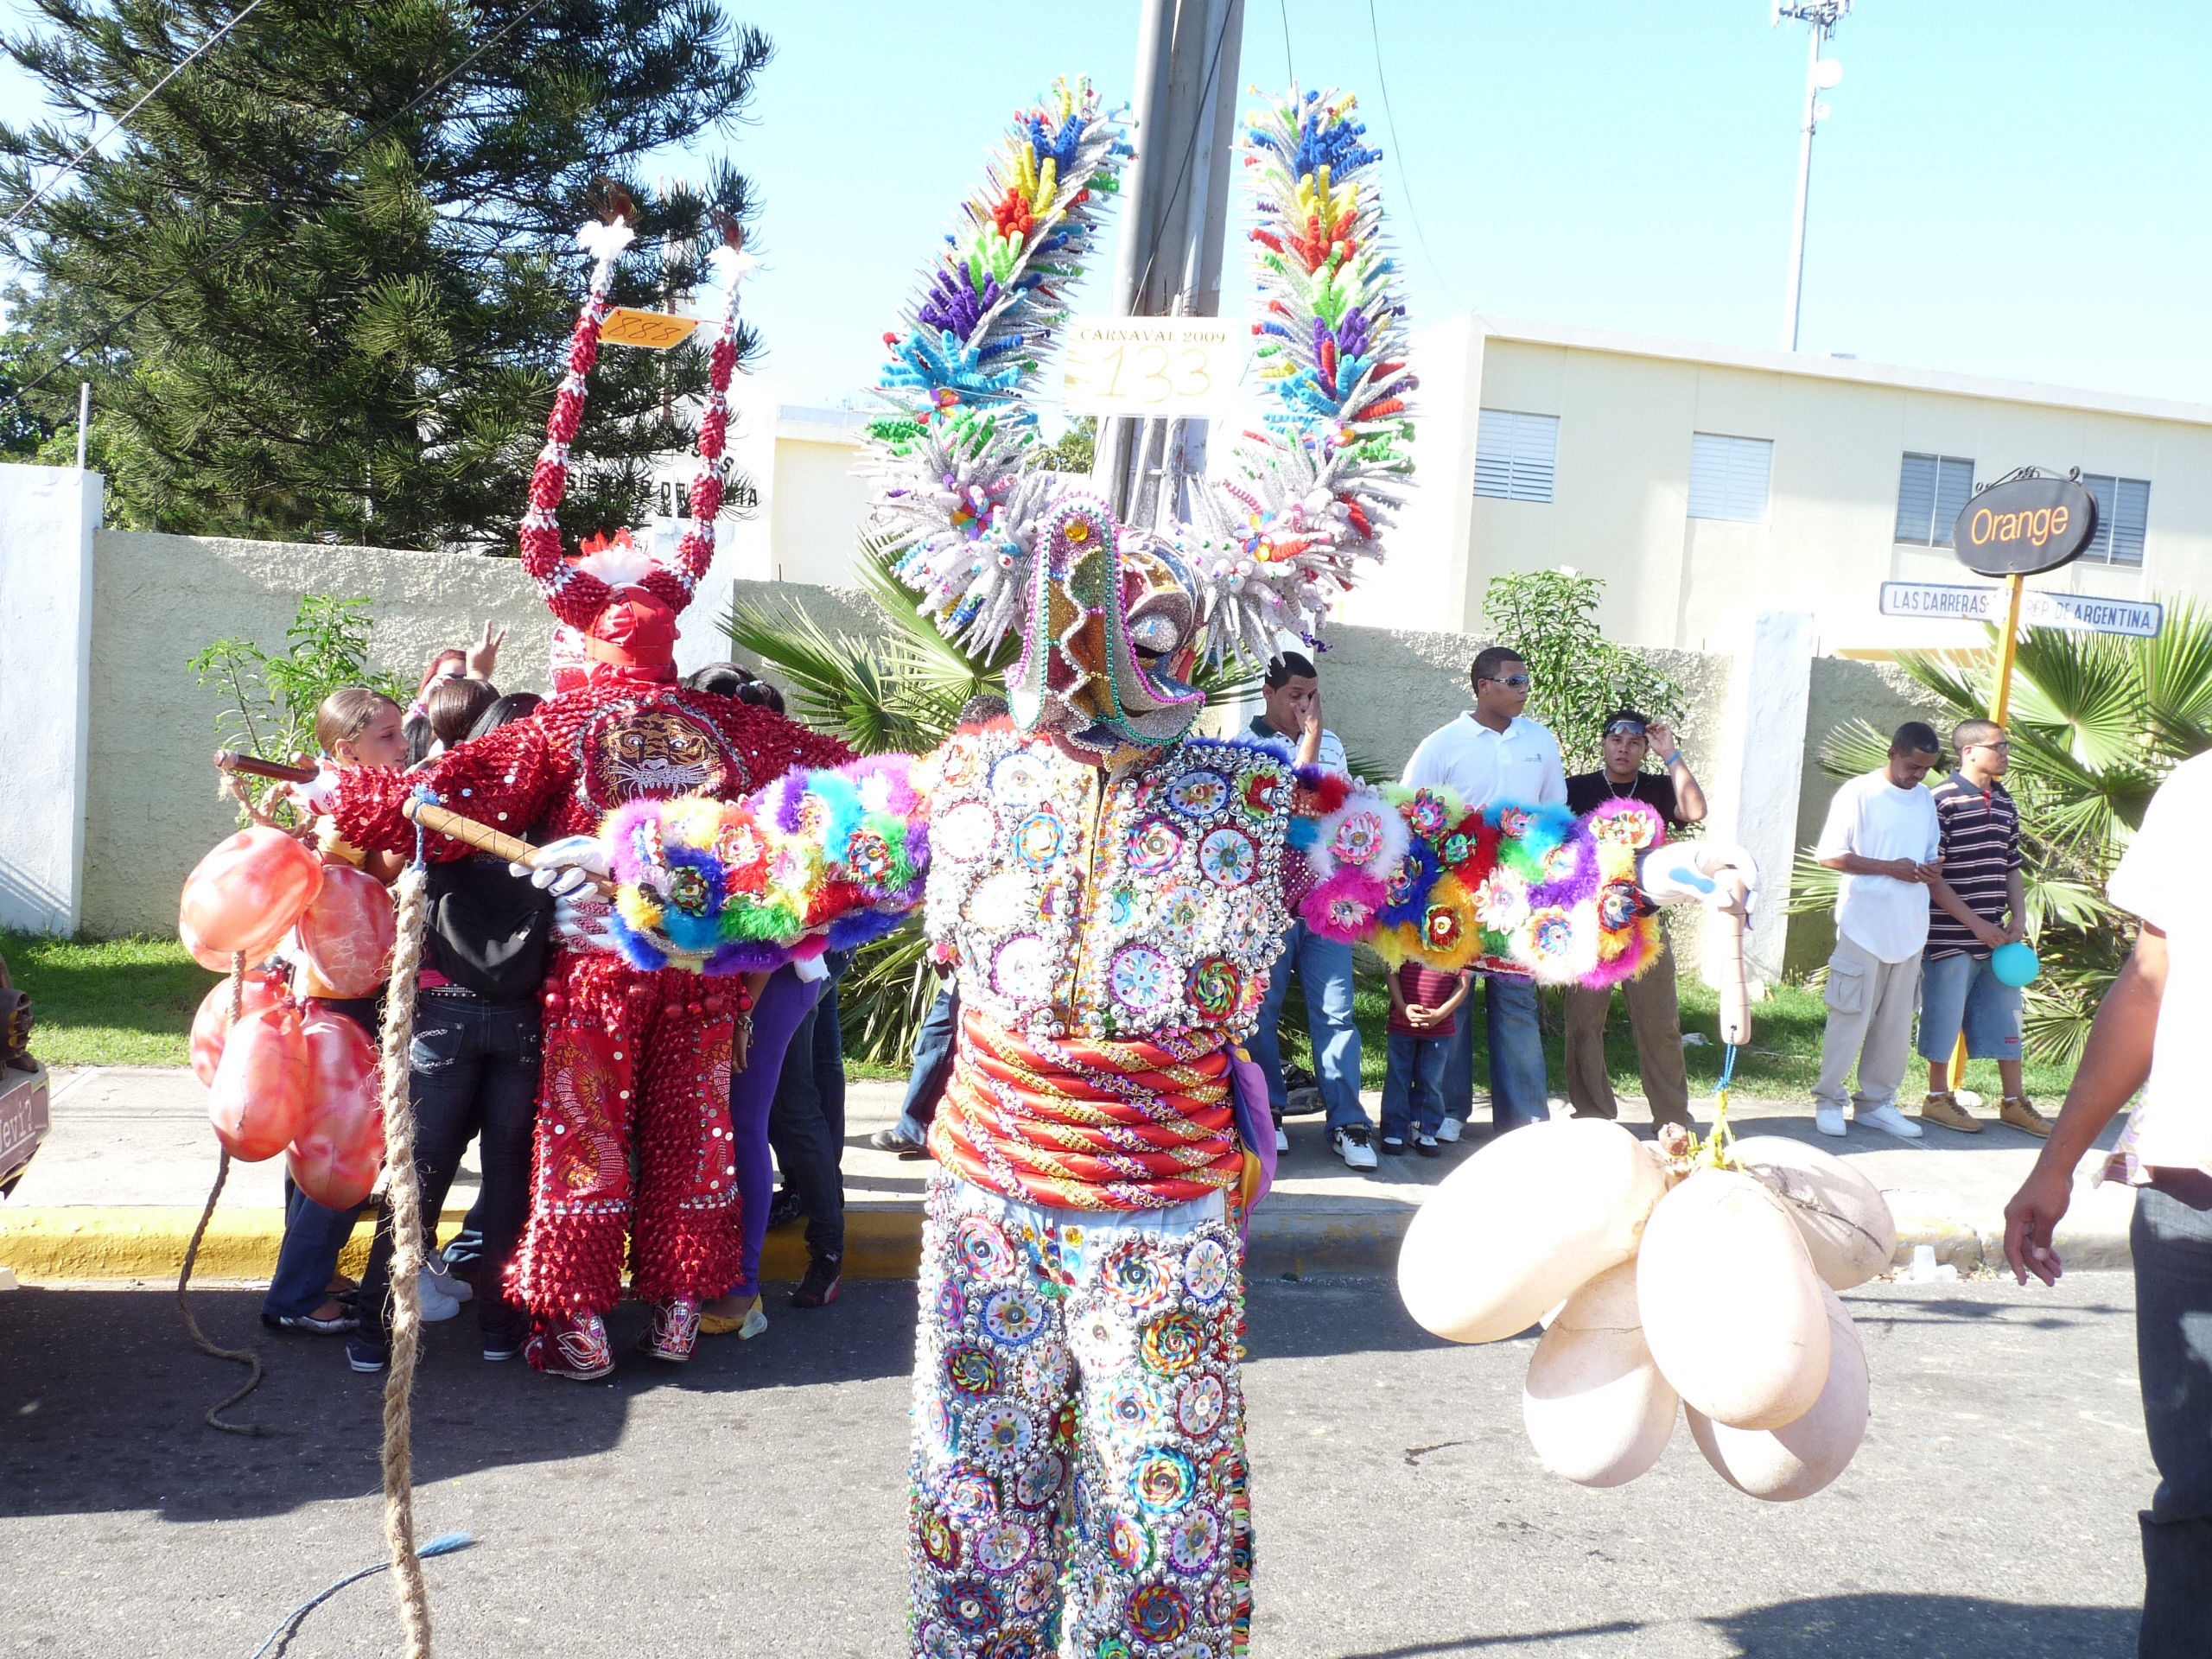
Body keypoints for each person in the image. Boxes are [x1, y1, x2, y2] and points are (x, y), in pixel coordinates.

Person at [309, 240, 854, 1381]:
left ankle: (575, 1323)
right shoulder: (729, 728)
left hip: (603, 961)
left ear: (575, 639)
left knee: (586, 1132)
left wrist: (346, 792)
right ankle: (673, 1313)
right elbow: (840, 772)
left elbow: (431, 792)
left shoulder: (557, 729)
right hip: (701, 959)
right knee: (697, 1133)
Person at [2003, 752, 2212, 1656]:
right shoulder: (2199, 789)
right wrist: (2057, 1162)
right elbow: (2152, 978)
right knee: (2197, 1498)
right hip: (2186, 1201)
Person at [346, 690, 555, 1373]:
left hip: (443, 1017)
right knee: (507, 1183)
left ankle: (373, 1333)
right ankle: (500, 1328)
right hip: (522, 1019)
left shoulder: (441, 806)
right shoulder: (555, 823)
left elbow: (369, 828)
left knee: (417, 1182)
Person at [258, 687, 410, 1336]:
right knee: (343, 1146)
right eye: (389, 737)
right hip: (340, 993)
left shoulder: (328, 797)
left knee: (317, 1142)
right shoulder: (336, 808)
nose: (405, 747)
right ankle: (294, 1296)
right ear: (345, 749)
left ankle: (309, 1276)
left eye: (403, 733)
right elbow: (359, 890)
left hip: (320, 989)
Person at [1402, 645, 1565, 1137]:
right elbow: (1412, 808)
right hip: (1455, 891)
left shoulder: (1540, 740)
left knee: (1516, 999)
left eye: (1525, 681)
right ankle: (1449, 1112)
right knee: (1456, 994)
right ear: (1483, 686)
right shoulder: (1443, 743)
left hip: (1520, 891)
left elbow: (1555, 811)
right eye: (1514, 682)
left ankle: (1525, 1120)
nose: (1524, 691)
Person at [1243, 650, 1372, 1168]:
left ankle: (1348, 1120)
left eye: (1312, 695)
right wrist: (1311, 739)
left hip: (1326, 899)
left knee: (1337, 1010)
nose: (1304, 705)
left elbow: (1331, 810)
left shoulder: (1333, 744)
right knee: (1263, 1010)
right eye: (1295, 694)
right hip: (1270, 903)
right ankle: (1270, 1111)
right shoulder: (1248, 744)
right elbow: (1294, 799)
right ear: (1269, 694)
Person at [1562, 710, 1705, 1131]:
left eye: (1635, 742)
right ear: (1603, 743)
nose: (1624, 748)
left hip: (1644, 925)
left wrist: (1671, 754)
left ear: (1644, 748)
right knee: (1584, 1023)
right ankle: (1593, 1115)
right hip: (1589, 925)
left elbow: (1695, 811)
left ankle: (1672, 1119)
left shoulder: (1659, 789)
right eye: (1616, 740)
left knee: (1660, 1024)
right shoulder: (1577, 789)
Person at [1809, 721, 1943, 1140]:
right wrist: (1889, 868)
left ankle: (1876, 1103)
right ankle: (1829, 1099)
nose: (1918, 775)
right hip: (1863, 926)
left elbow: (1930, 855)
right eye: (1912, 766)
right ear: (1892, 753)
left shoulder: (1924, 800)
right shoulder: (1858, 792)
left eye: (1925, 769)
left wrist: (1929, 868)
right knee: (1849, 1016)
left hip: (1909, 927)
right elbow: (1829, 856)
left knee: (1896, 1023)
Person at [1916, 719, 2050, 1136]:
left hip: (1997, 940)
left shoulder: (2006, 802)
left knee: (2006, 1015)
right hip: (1950, 936)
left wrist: (2019, 917)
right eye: (2000, 746)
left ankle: (2014, 1101)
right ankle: (1938, 1097)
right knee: (1944, 1012)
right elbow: (1933, 877)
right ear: (1969, 751)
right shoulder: (1940, 802)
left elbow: (2012, 865)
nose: (2006, 753)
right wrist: (1974, 924)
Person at [1380, 961, 1470, 1155]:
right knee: (1398, 1077)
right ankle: (1394, 1129)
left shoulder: (1456, 942)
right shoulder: (1404, 936)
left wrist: (1440, 1014)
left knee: (1431, 1080)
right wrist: (1402, 1007)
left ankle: (1425, 1129)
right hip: (1402, 1025)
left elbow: (1463, 984)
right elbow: (1391, 970)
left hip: (1440, 1028)